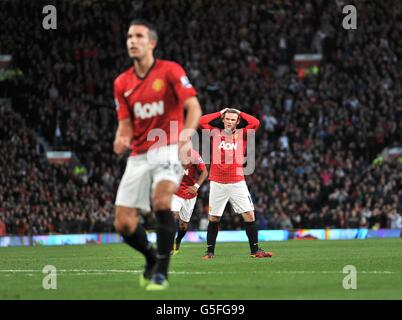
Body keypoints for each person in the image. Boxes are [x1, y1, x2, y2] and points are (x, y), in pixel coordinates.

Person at [113, 19, 202, 290]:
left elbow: (194, 107)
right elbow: (126, 123)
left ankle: (162, 272)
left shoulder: (170, 71)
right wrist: (121, 137)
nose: (132, 40)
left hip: (167, 146)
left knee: (162, 201)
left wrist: (186, 133)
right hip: (139, 154)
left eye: (138, 36)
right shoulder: (122, 82)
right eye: (129, 36)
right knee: (124, 224)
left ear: (151, 42)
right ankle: (151, 258)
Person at [199, 107, 272, 259]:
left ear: (238, 121)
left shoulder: (243, 134)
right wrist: (220, 112)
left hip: (237, 181)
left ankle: (255, 251)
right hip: (217, 182)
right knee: (214, 218)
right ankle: (210, 252)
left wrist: (239, 112)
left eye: (233, 120)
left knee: (250, 216)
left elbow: (255, 123)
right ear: (223, 120)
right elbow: (201, 121)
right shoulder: (215, 132)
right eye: (227, 119)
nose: (229, 122)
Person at [172, 148, 208, 255]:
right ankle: (169, 245)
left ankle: (178, 240)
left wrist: (196, 186)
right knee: (173, 215)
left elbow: (205, 171)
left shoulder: (194, 155)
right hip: (174, 191)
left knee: (183, 225)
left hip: (189, 194)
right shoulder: (170, 153)